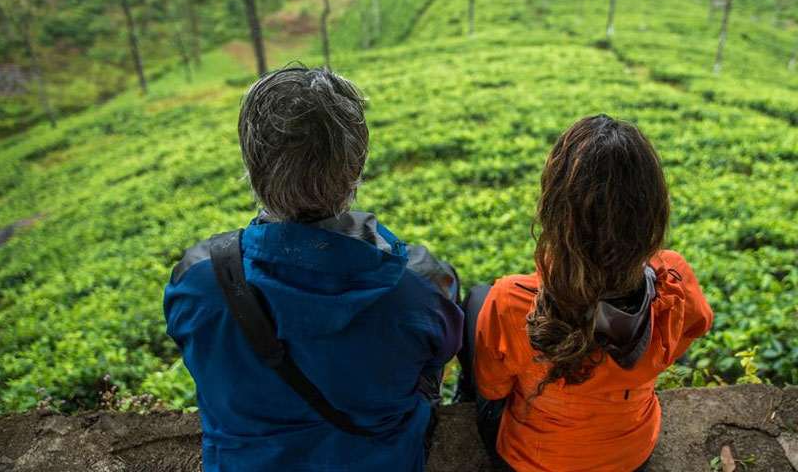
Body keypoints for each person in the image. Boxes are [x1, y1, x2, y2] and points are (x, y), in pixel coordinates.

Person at [164, 65, 463, 472]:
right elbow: (441, 349)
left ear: (252, 166)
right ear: (355, 167)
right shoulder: (419, 284)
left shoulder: (198, 280)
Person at [456, 114, 713, 472]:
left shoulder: (512, 301)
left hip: (530, 460)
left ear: (556, 209)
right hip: (631, 456)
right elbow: (696, 326)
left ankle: (459, 400)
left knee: (477, 299)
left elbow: (494, 387)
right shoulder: (674, 280)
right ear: (652, 211)